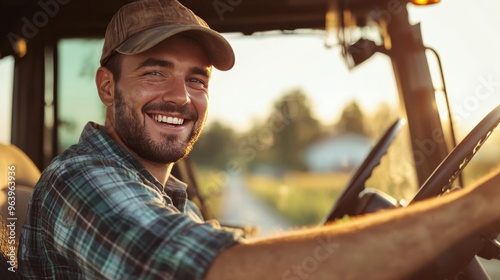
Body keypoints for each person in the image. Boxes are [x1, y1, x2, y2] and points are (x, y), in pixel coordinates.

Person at [17, 0, 500, 279]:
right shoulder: (80, 181)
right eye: (154, 72)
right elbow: (218, 273)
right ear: (107, 86)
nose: (180, 97)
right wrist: (476, 205)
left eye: (197, 79)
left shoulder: (167, 197)